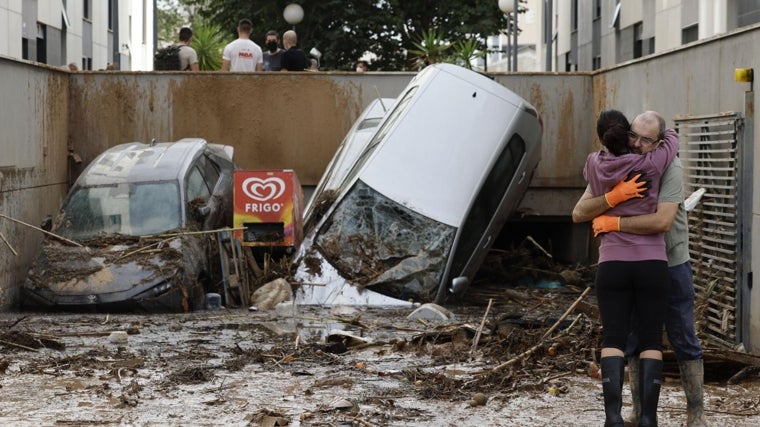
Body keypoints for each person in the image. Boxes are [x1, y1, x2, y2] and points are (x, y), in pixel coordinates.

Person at [573, 113, 708, 427]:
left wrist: (615, 221)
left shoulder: (667, 165)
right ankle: (639, 413)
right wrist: (612, 196)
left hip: (671, 262)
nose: (637, 143)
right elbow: (580, 210)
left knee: (682, 336)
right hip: (643, 264)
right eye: (634, 135)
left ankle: (695, 415)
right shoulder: (622, 160)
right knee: (635, 339)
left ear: (659, 142)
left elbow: (662, 222)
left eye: (646, 140)